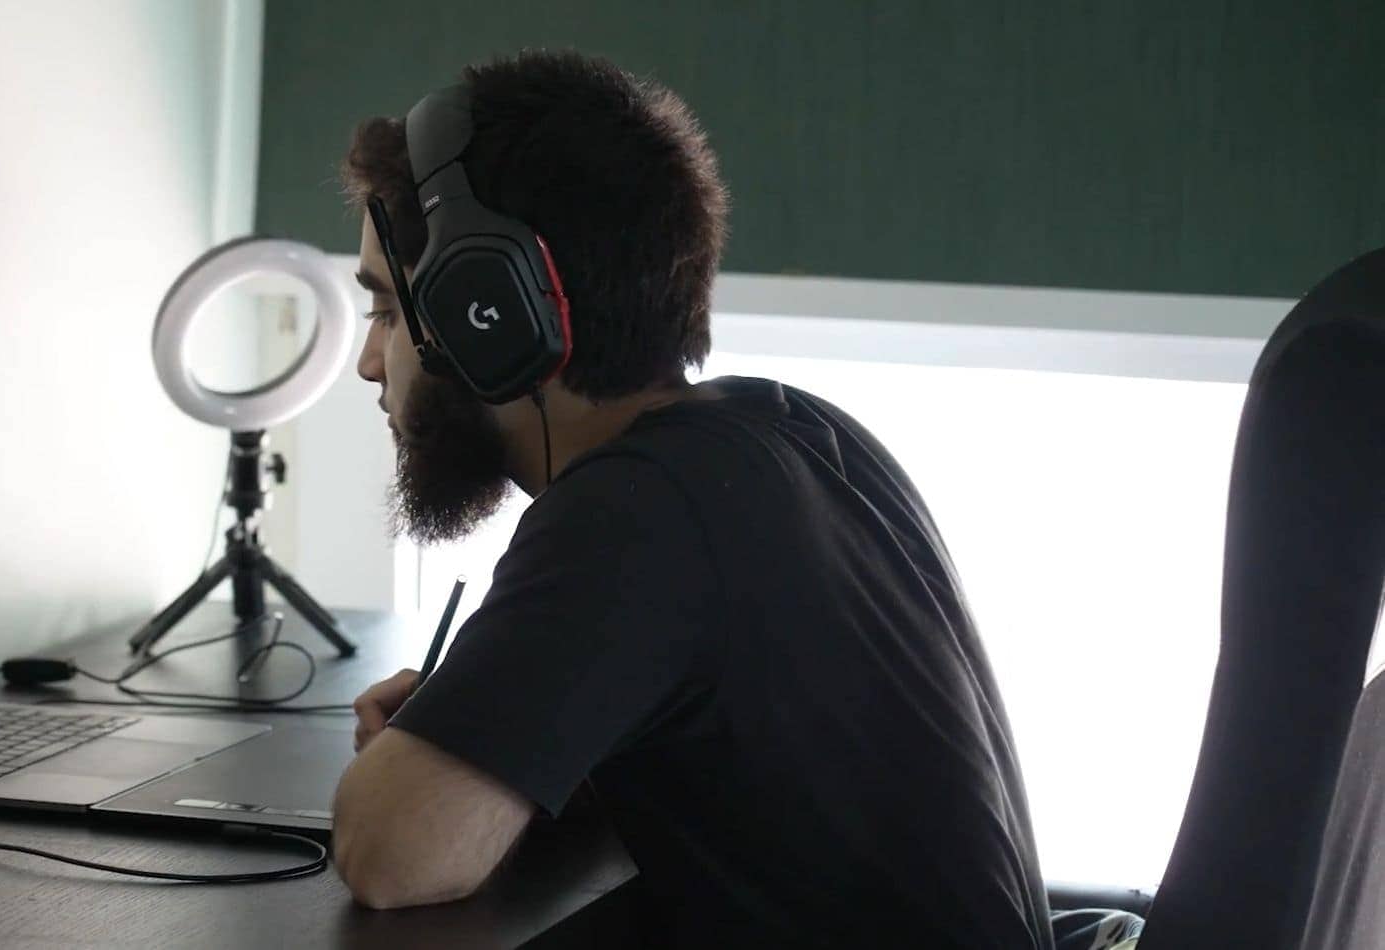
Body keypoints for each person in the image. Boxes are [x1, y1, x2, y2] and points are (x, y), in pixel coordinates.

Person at [329, 50, 1054, 948]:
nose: (369, 362)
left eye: (391, 312)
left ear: (494, 310)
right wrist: (500, 729)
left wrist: (416, 771)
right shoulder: (795, 437)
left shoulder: (636, 511)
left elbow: (393, 854)